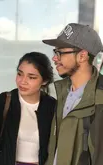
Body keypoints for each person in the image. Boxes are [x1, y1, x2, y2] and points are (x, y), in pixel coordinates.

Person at [0, 52, 56, 165]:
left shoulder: (52, 106)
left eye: (31, 77)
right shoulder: (5, 100)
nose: (23, 81)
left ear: (44, 81)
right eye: (20, 74)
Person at [42, 23, 103, 165]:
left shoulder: (99, 100)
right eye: (55, 52)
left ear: (82, 56)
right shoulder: (63, 93)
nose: (54, 58)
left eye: (60, 52)